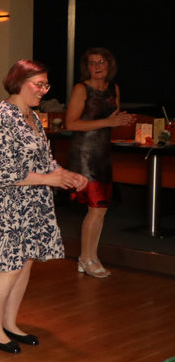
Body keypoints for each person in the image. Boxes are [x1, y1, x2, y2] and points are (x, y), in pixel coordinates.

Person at [0, 60, 87, 354]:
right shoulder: (1, 116)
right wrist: (50, 179)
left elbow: (44, 160)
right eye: (38, 84)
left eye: (46, 85)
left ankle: (9, 323)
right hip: (0, 200)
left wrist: (65, 174)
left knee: (25, 261)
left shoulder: (32, 116)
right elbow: (2, 172)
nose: (43, 90)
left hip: (30, 198)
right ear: (18, 82)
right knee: (8, 265)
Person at [64, 48, 134, 279]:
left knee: (101, 209)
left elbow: (111, 120)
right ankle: (86, 258)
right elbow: (71, 124)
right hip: (84, 153)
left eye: (101, 62)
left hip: (103, 152)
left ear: (109, 65)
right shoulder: (81, 88)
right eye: (92, 63)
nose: (97, 67)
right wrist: (108, 121)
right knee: (96, 207)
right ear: (87, 67)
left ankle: (91, 257)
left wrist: (121, 120)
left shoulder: (114, 88)